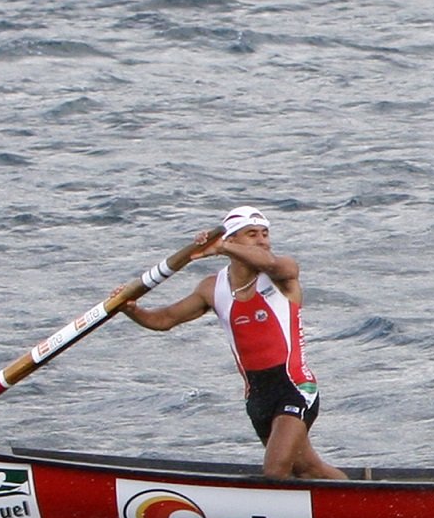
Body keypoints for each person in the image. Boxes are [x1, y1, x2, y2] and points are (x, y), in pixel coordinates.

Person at [113, 206, 345, 480]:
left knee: (275, 471)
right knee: (308, 469)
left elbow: (269, 263)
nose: (262, 240)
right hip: (257, 395)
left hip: (295, 387)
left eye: (265, 233)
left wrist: (221, 247)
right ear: (234, 239)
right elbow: (164, 320)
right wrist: (131, 310)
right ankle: (361, 510)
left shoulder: (282, 274)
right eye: (252, 234)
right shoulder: (212, 288)